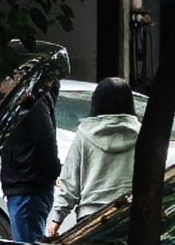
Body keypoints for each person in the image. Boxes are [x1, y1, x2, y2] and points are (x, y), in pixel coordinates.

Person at [46, 77, 141, 236]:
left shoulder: (84, 133)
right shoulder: (142, 134)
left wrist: (57, 218)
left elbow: (70, 181)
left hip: (90, 218)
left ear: (97, 101)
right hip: (129, 214)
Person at [0, 77, 62, 244]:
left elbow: (45, 139)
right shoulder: (33, 99)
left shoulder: (34, 100)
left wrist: (53, 171)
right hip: (26, 184)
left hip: (27, 185)